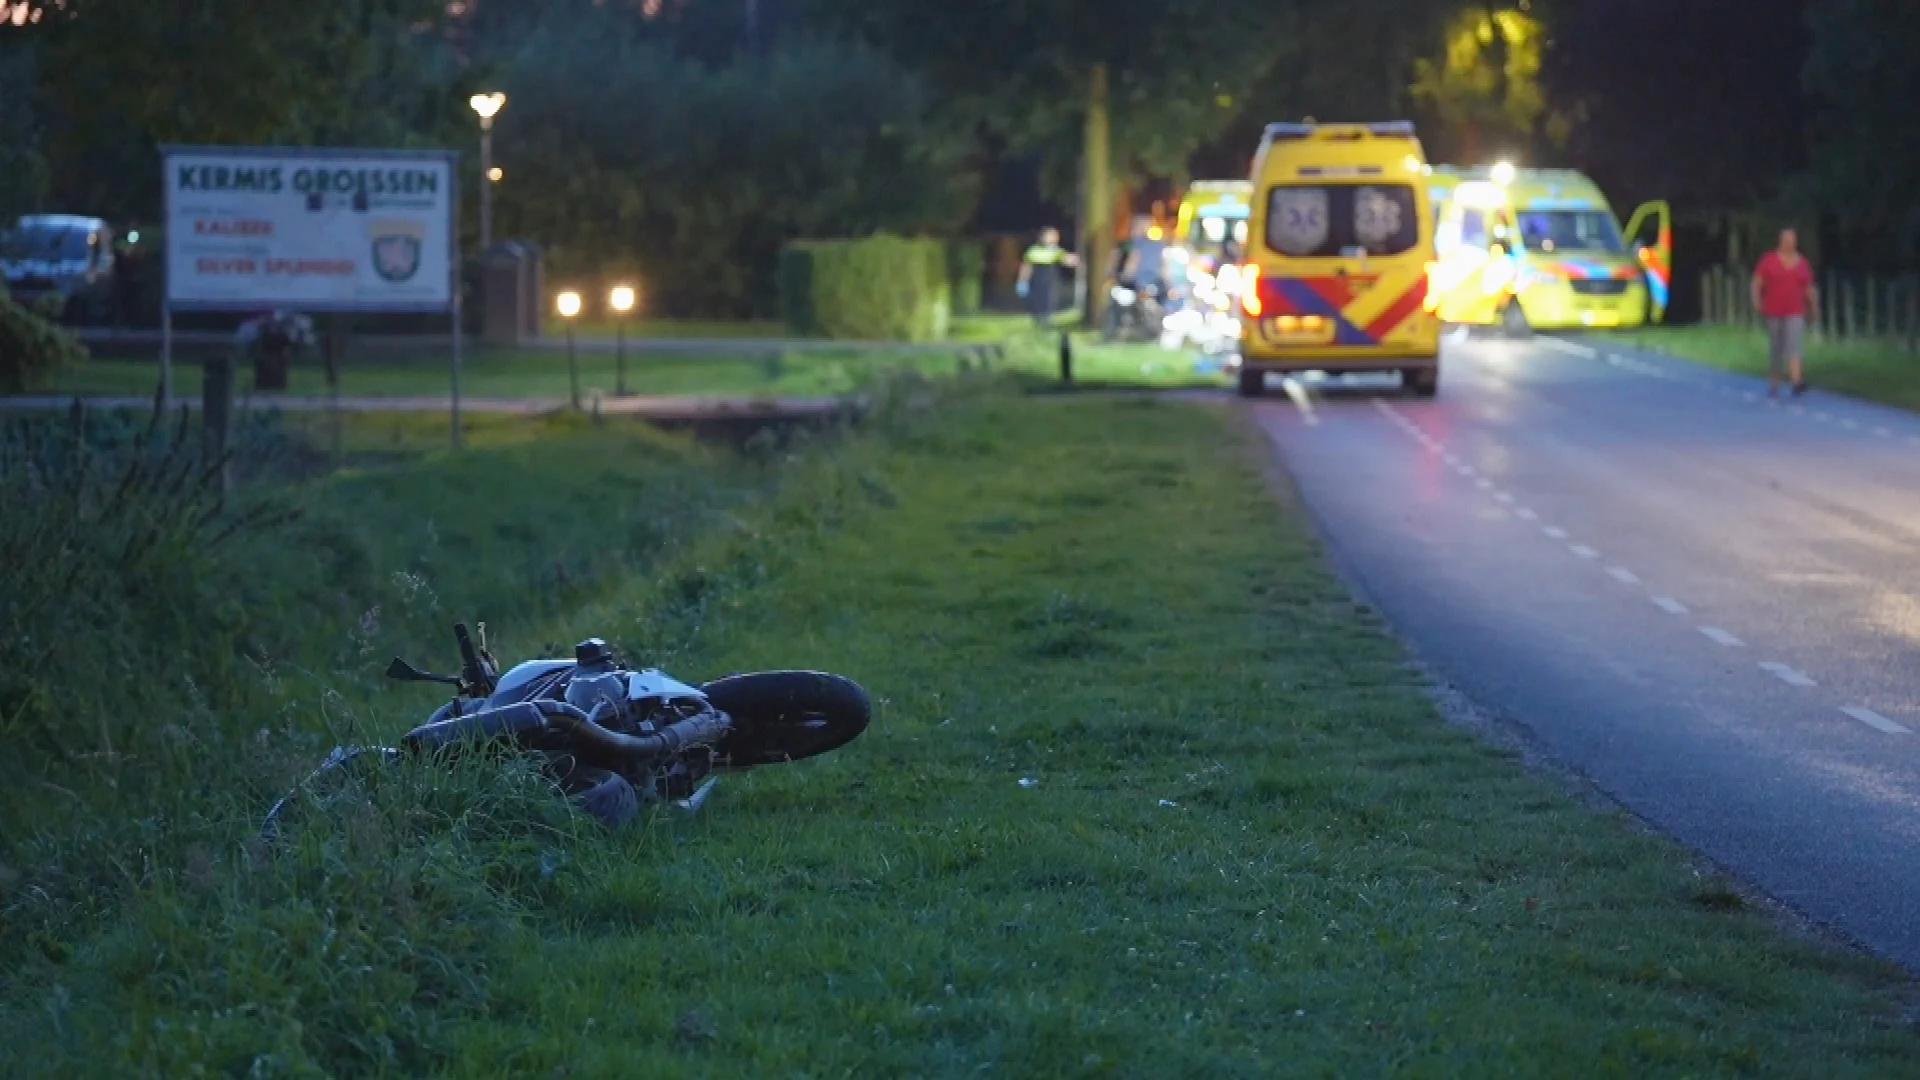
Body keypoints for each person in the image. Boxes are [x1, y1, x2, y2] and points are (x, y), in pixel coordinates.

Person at [1751, 227, 1819, 398]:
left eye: (1793, 241)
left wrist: (1814, 306)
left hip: (1795, 311)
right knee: (1777, 348)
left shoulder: (1802, 263)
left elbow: (1809, 287)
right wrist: (1756, 300)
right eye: (1787, 241)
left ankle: (1797, 381)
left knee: (1794, 345)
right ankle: (1775, 383)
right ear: (1781, 242)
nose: (1790, 244)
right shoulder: (1769, 260)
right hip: (1773, 311)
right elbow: (1757, 282)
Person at [1017, 227, 1078, 327]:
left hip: (1050, 280)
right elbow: (1027, 267)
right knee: (1037, 301)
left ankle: (1047, 320)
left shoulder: (1056, 251)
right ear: (1042, 237)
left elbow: (1066, 259)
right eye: (1051, 236)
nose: (1054, 238)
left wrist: (1074, 260)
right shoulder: (1033, 250)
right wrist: (1022, 281)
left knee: (1049, 300)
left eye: (1055, 236)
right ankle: (1038, 320)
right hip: (1036, 280)